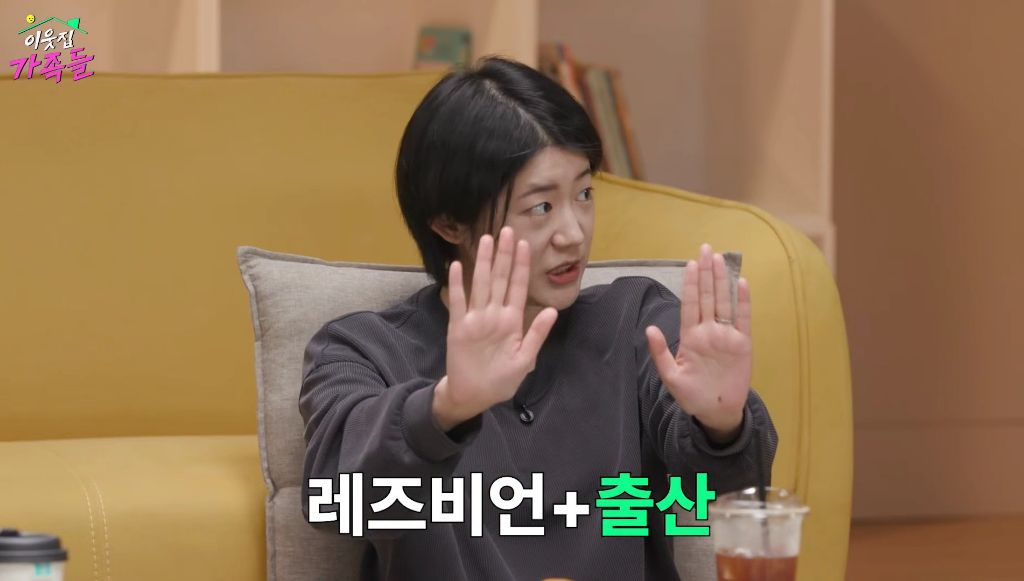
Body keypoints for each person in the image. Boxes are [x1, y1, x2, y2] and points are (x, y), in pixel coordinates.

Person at [300, 56, 777, 581]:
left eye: (584, 194)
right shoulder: (361, 349)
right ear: (449, 222)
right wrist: (447, 408)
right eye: (541, 207)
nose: (574, 233)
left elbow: (736, 494)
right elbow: (337, 503)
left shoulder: (637, 322)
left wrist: (722, 425)